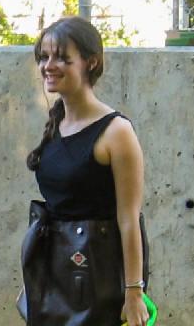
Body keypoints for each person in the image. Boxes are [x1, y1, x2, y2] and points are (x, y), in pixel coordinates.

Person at [20, 17, 151, 325]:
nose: (49, 66)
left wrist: (133, 292)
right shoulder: (57, 124)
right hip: (55, 275)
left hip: (98, 276)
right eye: (44, 57)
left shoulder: (116, 132)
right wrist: (34, 281)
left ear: (90, 63)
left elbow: (129, 219)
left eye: (62, 58)